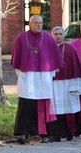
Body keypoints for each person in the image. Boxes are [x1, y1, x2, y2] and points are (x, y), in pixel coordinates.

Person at [11, 15, 64, 144]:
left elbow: (54, 59)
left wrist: (51, 71)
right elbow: (17, 59)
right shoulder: (21, 38)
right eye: (36, 23)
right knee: (26, 104)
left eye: (41, 23)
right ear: (30, 24)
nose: (39, 25)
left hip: (43, 76)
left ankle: (44, 134)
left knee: (43, 105)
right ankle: (23, 133)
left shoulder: (48, 38)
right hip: (27, 75)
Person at [49, 26, 81, 141]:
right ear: (52, 35)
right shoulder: (47, 49)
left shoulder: (70, 49)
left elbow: (76, 68)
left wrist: (75, 85)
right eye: (56, 34)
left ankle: (69, 133)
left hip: (67, 83)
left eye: (60, 34)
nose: (58, 36)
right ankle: (56, 134)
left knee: (67, 110)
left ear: (64, 35)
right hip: (53, 83)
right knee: (55, 109)